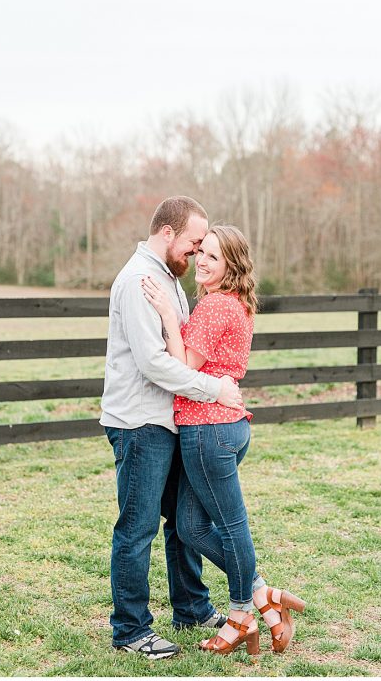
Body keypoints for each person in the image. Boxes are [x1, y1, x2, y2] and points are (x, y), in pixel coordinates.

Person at [140, 223, 305, 657]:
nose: (202, 262)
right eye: (202, 253)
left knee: (231, 527)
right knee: (192, 526)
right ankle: (262, 594)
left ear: (231, 265)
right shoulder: (235, 304)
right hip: (221, 428)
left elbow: (185, 368)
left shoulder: (215, 308)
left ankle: (240, 613)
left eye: (213, 257)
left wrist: (166, 316)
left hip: (208, 430)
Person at [101, 196, 245, 659]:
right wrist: (213, 389)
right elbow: (154, 363)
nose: (197, 252)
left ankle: (192, 607)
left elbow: (181, 342)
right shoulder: (139, 280)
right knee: (137, 526)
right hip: (141, 422)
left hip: (170, 421)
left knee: (182, 525)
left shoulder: (169, 277)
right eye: (194, 243)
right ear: (168, 234)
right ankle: (130, 630)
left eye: (205, 247)